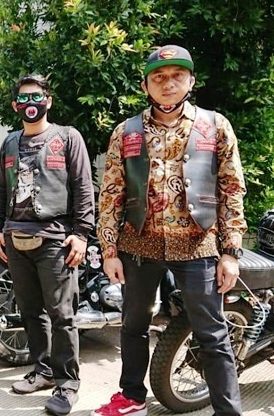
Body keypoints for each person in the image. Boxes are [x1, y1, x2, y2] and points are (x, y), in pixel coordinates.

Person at [93, 45, 246, 416]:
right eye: (159, 77)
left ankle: (228, 411)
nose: (168, 84)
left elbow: (231, 189)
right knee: (133, 325)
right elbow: (111, 193)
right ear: (145, 85)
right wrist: (109, 251)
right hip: (139, 245)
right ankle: (132, 398)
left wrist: (230, 251)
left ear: (191, 81)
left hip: (197, 245)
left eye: (178, 76)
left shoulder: (215, 126)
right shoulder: (126, 132)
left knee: (211, 333)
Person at [0, 74, 94, 416]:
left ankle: (68, 383)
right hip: (16, 238)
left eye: (37, 97)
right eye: (24, 98)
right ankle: (44, 370)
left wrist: (81, 233)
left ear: (48, 101)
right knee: (30, 311)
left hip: (54, 239)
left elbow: (83, 187)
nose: (30, 104)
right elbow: (0, 189)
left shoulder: (67, 137)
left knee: (62, 314)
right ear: (15, 105)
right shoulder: (9, 142)